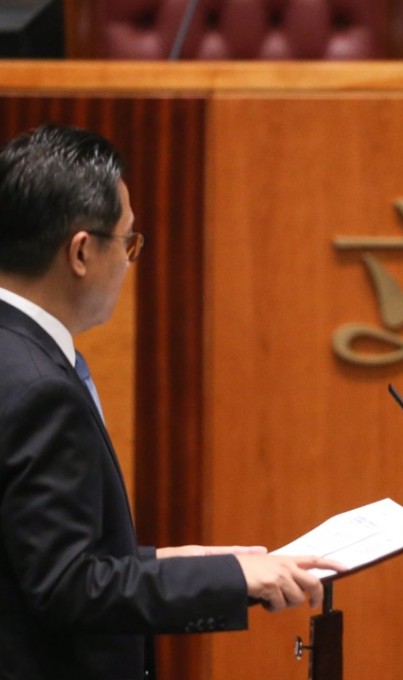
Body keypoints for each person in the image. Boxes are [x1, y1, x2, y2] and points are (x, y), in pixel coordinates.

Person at [0, 125, 343, 679]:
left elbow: (24, 558)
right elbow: (68, 588)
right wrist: (235, 580)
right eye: (129, 242)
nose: (131, 262)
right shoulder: (42, 389)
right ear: (82, 252)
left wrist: (166, 562)